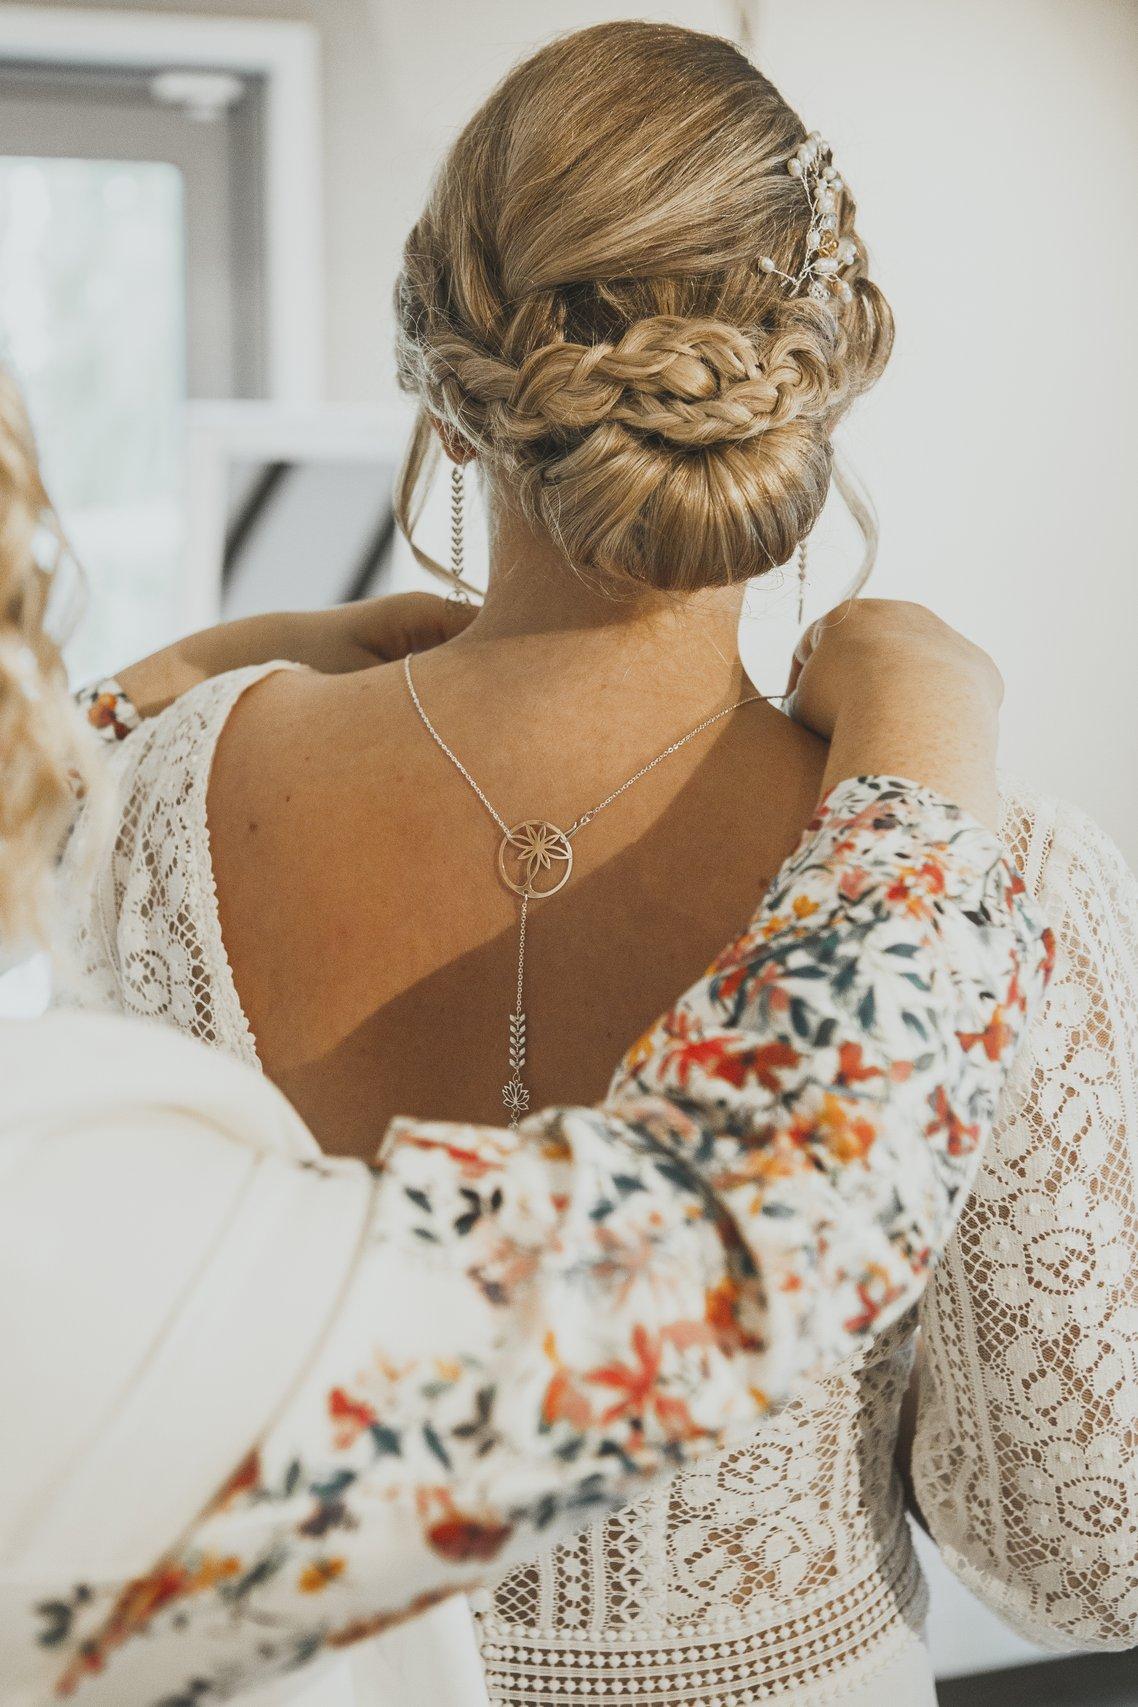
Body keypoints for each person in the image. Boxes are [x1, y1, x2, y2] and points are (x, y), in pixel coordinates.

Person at [39, 23, 1111, 1707]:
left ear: (450, 392)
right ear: (821, 369)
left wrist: (157, 692)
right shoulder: (971, 865)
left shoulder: (145, 791)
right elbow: (1080, 1540)